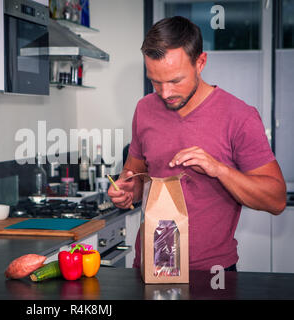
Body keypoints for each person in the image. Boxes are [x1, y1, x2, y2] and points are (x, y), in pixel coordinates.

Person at [108, 16, 286, 271]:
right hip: (150, 267)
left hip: (211, 273)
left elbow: (277, 200)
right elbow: (136, 176)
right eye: (155, 81)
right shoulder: (144, 108)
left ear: (200, 62)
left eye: (175, 80)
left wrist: (219, 170)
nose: (165, 93)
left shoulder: (240, 116)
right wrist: (126, 191)